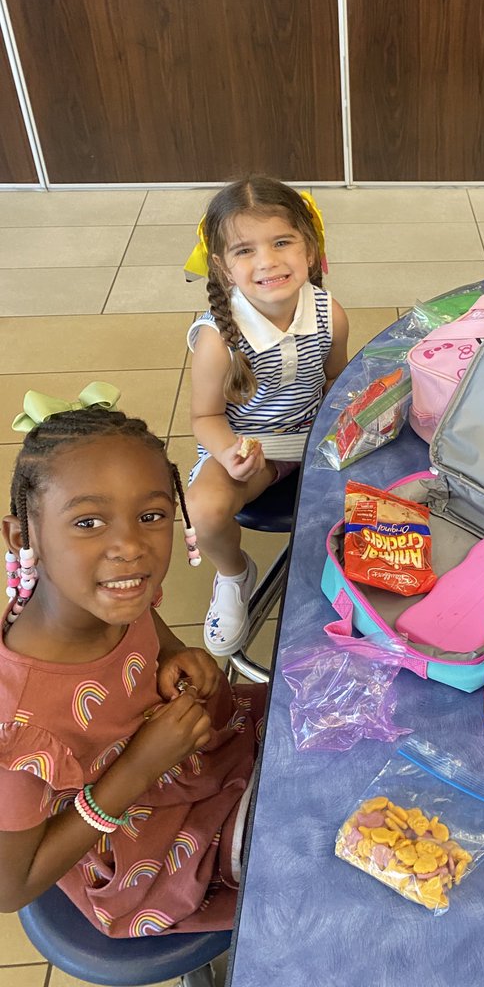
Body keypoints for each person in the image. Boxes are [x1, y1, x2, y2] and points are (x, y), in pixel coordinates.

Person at [0, 405, 265, 936]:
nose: (130, 548)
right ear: (22, 537)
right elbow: (13, 887)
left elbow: (146, 622)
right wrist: (141, 767)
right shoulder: (20, 727)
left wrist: (172, 654)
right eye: (88, 522)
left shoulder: (106, 595)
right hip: (144, 839)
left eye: (151, 516)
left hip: (193, 752)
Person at [186, 176, 349, 657]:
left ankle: (347, 584)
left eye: (282, 242)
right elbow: (204, 416)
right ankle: (234, 574)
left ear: (311, 248)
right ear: (222, 266)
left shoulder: (329, 314)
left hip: (311, 437)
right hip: (248, 447)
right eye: (245, 250)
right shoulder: (218, 338)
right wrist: (230, 454)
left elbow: (335, 382)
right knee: (205, 509)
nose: (268, 261)